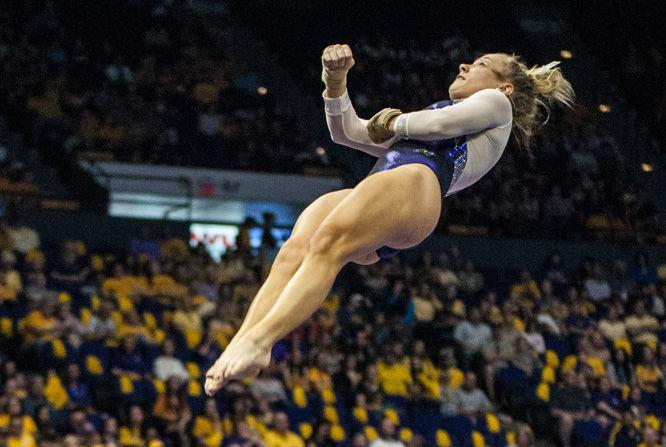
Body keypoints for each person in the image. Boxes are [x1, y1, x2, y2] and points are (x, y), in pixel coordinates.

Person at [205, 43, 575, 393]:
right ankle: (245, 340)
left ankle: (259, 340)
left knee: (327, 246)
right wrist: (335, 82)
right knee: (295, 248)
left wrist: (394, 123)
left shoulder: (496, 105)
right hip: (387, 188)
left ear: (505, 86)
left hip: (416, 184)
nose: (464, 65)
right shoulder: (432, 115)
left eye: (480, 65)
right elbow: (346, 132)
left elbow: (440, 127)